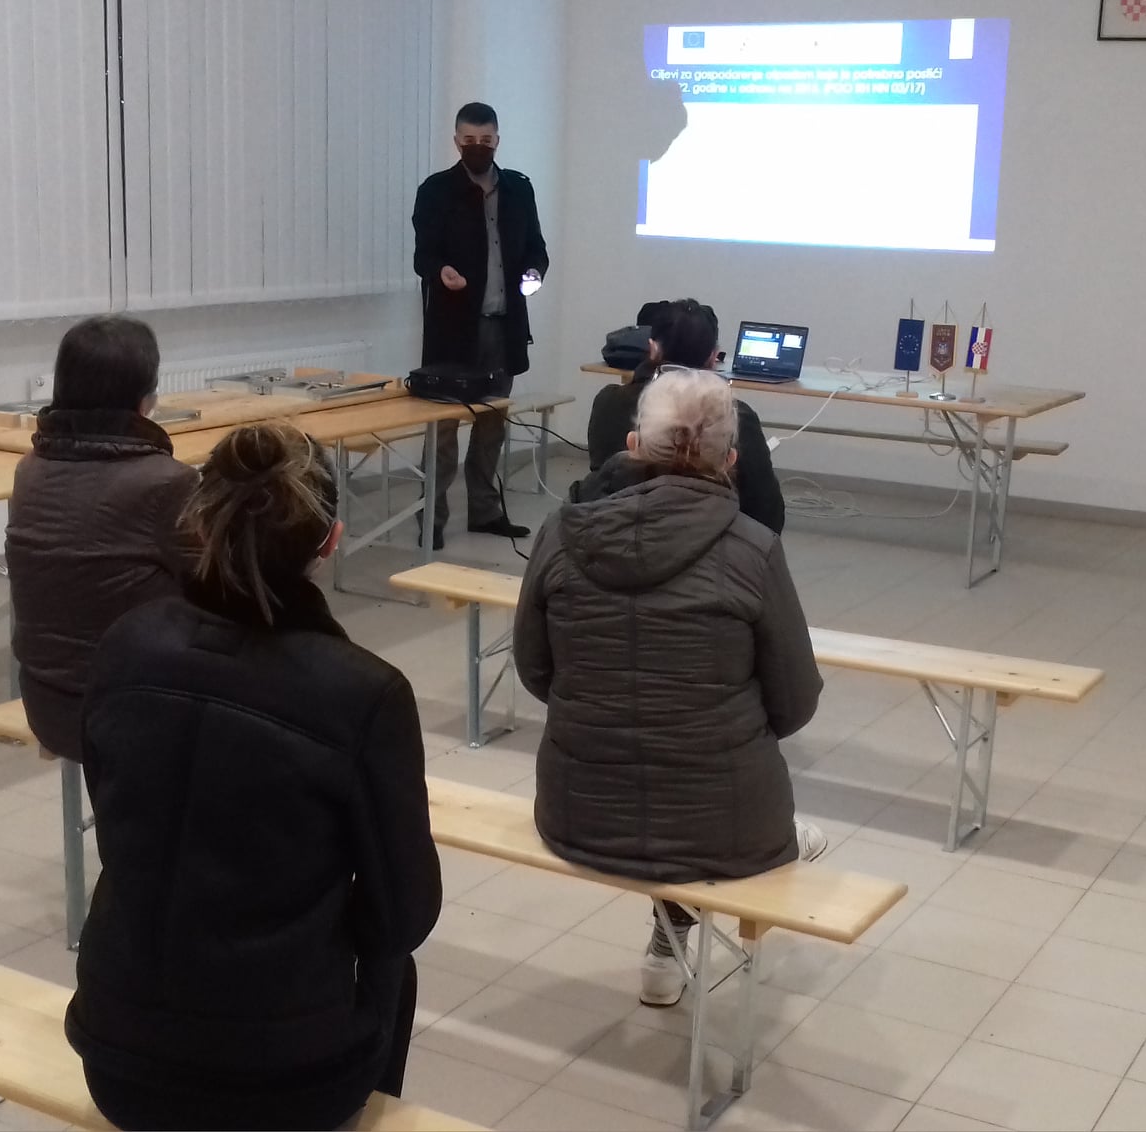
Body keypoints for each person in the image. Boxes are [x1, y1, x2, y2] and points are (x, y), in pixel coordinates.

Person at [65, 423, 443, 1131]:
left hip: (117, 1058)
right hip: (283, 1088)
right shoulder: (364, 692)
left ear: (199, 523)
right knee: (392, 968)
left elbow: (118, 816)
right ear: (331, 542)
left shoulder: (126, 644)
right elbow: (405, 913)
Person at [516, 369, 825, 1007]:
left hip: (579, 814)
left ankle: (669, 938)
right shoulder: (755, 549)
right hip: (726, 826)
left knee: (672, 780)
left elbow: (535, 671)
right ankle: (669, 938)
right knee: (730, 804)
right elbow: (795, 703)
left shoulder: (560, 533)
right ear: (731, 461)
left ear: (633, 446)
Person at [5, 315, 197, 764]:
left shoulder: (29, 470)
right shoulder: (168, 482)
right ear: (144, 401)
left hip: (47, 705)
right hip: (130, 713)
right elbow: (222, 593)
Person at [411, 100, 549, 547]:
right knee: (444, 429)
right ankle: (431, 519)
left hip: (504, 327)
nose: (477, 147)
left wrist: (534, 272)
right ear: (456, 142)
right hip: (453, 331)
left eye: (485, 140)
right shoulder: (436, 190)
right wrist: (441, 272)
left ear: (497, 141)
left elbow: (537, 247)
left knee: (492, 425)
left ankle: (486, 511)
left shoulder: (519, 189)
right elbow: (423, 254)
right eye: (469, 140)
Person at [584, 299, 786, 533]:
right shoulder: (736, 416)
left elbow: (598, 487)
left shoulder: (609, 401)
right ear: (713, 357)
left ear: (652, 348)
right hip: (713, 539)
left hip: (613, 533)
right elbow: (766, 513)